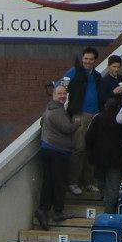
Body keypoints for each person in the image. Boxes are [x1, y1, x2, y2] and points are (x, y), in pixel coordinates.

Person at [62, 47, 104, 195]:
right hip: (79, 115)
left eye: (90, 59)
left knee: (91, 150)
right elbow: (61, 86)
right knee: (78, 149)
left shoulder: (97, 76)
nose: (87, 61)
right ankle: (73, 182)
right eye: (85, 58)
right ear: (82, 58)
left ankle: (89, 182)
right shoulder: (74, 71)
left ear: (95, 60)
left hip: (95, 116)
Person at [37, 84, 78, 229]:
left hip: (47, 148)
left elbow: (42, 123)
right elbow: (67, 128)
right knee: (59, 183)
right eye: (59, 93)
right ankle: (57, 211)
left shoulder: (49, 109)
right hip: (57, 151)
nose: (62, 96)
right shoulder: (57, 111)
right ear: (54, 95)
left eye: (64, 93)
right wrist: (77, 122)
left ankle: (43, 210)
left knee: (49, 182)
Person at [85, 96, 122, 214]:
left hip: (99, 159)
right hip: (116, 160)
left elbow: (88, 137)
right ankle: (110, 211)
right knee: (113, 187)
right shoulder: (121, 120)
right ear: (118, 108)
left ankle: (106, 203)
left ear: (105, 106)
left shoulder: (97, 118)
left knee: (102, 183)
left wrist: (90, 153)